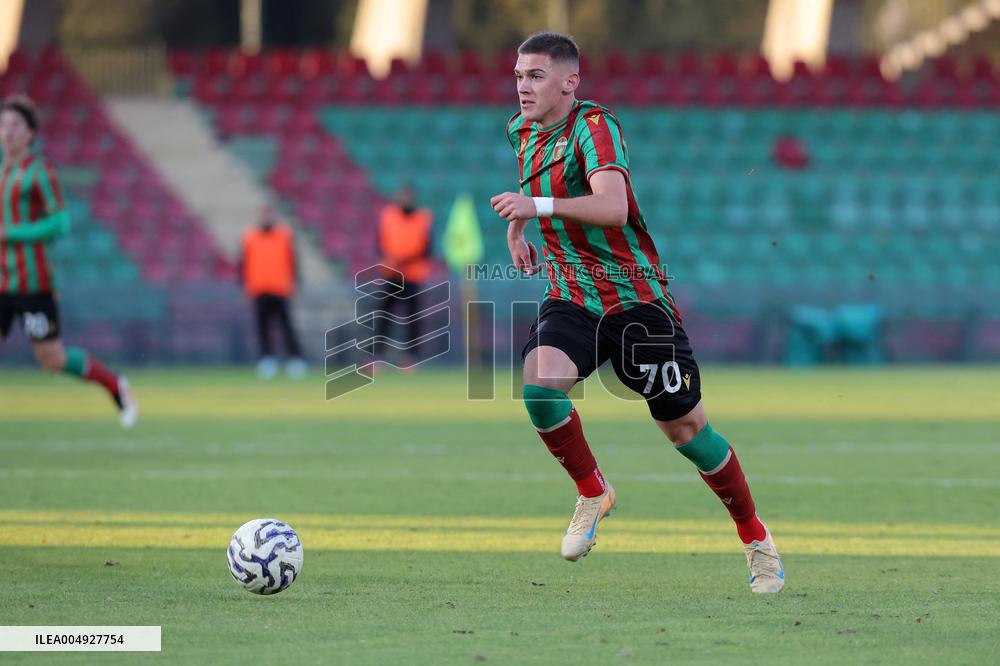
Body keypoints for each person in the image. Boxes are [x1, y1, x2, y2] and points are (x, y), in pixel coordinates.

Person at [490, 33, 783, 593]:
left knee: (685, 428)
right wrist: (518, 228)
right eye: (519, 75)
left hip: (634, 299)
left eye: (536, 76)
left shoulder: (594, 127)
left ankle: (755, 538)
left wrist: (536, 207)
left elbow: (613, 207)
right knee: (539, 386)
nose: (523, 86)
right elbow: (533, 189)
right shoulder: (520, 130)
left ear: (570, 82)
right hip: (573, 293)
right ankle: (593, 491)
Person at [0, 94, 138, 428]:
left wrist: (12, 233)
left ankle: (114, 384)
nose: (8, 132)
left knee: (52, 358)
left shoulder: (39, 171)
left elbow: (60, 222)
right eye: (3, 125)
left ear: (31, 133)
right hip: (2, 282)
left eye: (15, 125)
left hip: (34, 284)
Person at [239, 205, 306, 379]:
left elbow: (292, 261)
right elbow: (243, 263)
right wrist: (244, 284)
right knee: (262, 327)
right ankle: (267, 359)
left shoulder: (284, 235)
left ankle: (295, 359)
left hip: (280, 287)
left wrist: (294, 282)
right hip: (259, 288)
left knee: (286, 326)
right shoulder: (250, 237)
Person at [375, 185, 433, 366]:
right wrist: (392, 259)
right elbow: (379, 243)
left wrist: (404, 259)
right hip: (391, 273)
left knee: (413, 318)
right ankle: (375, 357)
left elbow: (426, 248)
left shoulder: (423, 218)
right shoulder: (388, 216)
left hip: (412, 275)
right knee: (383, 316)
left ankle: (411, 358)